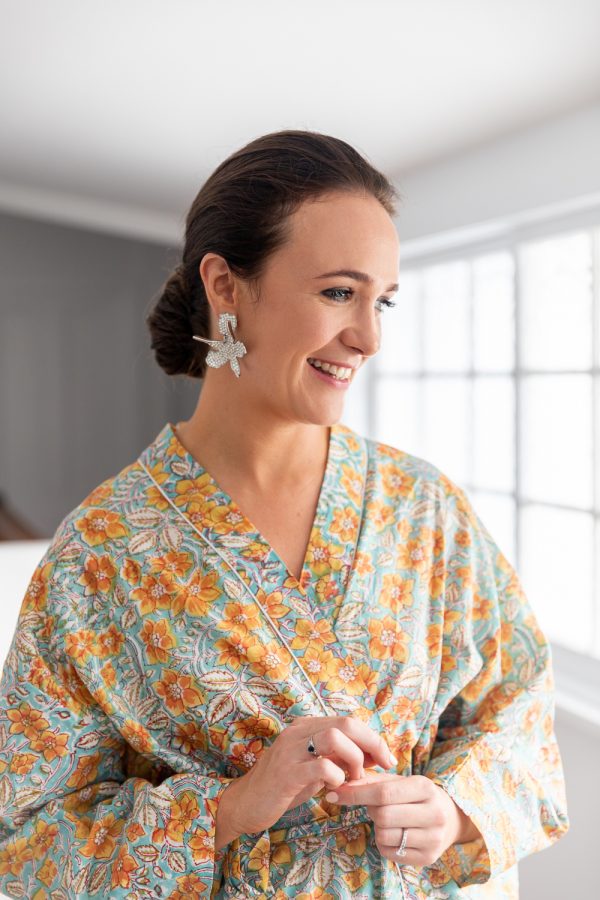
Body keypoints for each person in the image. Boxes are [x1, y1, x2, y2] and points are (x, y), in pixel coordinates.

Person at [0, 129, 568, 899]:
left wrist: (453, 810)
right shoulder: (102, 552)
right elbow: (29, 837)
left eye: (383, 300)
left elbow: (520, 711)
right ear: (226, 286)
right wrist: (232, 807)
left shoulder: (424, 509)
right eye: (338, 293)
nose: (369, 337)